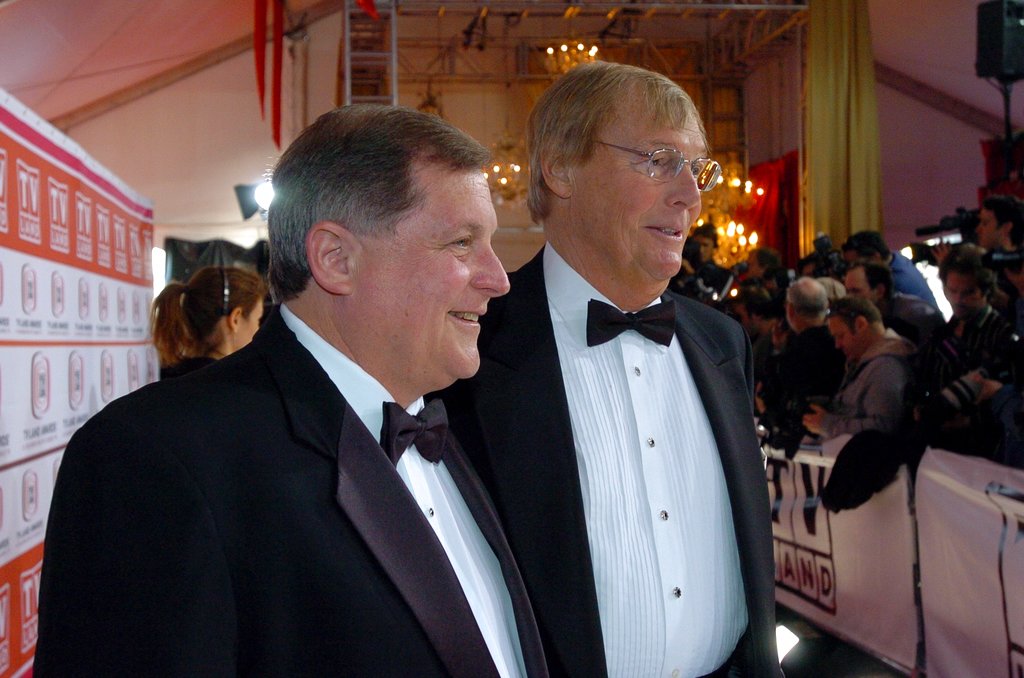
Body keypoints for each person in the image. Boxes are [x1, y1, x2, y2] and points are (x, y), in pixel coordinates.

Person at [35, 105, 549, 677]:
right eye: (460, 242)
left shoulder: (448, 428)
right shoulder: (153, 457)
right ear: (335, 259)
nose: (499, 279)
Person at [440, 62, 781, 678]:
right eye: (658, 160)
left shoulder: (722, 342)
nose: (691, 195)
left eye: (697, 168)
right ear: (561, 169)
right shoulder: (470, 347)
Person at [913, 244, 1022, 458]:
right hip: (938, 447)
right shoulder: (941, 334)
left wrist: (969, 421)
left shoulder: (1002, 335)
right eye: (953, 291)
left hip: (981, 451)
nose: (958, 300)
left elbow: (1009, 399)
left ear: (985, 290)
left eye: (968, 292)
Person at [802, 296, 916, 439]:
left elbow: (883, 427)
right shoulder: (867, 363)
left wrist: (828, 424)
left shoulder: (886, 368)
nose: (837, 345)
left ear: (860, 324)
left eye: (841, 336)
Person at [758, 276, 847, 456]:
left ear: (790, 310)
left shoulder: (792, 356)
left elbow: (770, 396)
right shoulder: (842, 346)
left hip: (800, 445)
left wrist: (776, 354)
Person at [150, 265, 267, 378]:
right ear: (235, 319)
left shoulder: (169, 376)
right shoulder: (238, 388)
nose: (259, 329)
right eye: (258, 320)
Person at [843, 261, 944, 346]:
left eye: (855, 291)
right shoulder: (873, 317)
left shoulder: (915, 317)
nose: (849, 298)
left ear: (879, 291)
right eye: (847, 292)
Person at [842, 230, 940, 309]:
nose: (850, 269)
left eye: (855, 264)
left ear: (875, 257)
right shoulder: (896, 258)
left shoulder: (896, 281)